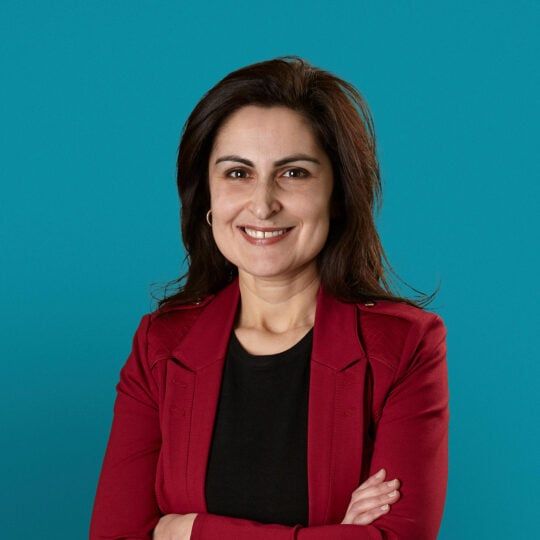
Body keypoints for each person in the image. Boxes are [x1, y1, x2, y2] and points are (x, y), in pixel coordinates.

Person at [89, 56, 449, 540]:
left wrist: (188, 531)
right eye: (237, 174)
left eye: (294, 173)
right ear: (207, 196)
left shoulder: (404, 345)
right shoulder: (161, 345)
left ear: (337, 194)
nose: (262, 204)